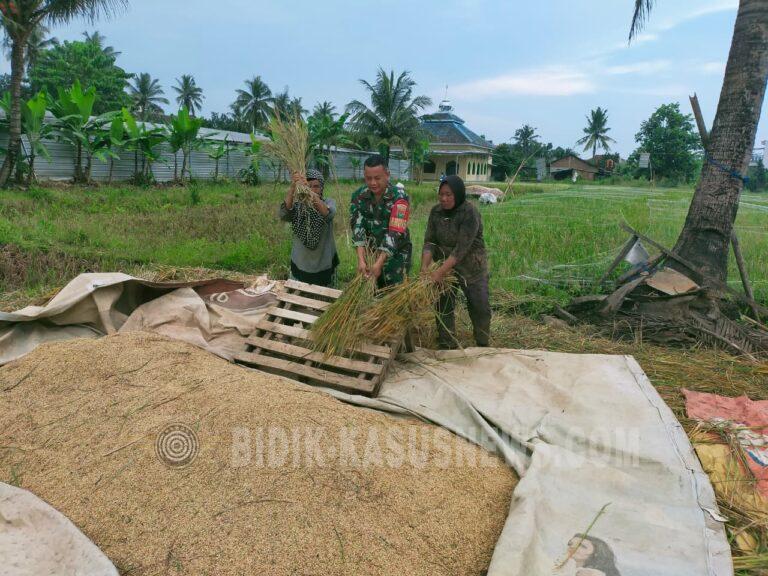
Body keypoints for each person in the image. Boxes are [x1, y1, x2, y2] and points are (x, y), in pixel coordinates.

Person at [421, 175, 491, 349]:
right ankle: (446, 343)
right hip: (445, 266)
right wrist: (425, 268)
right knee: (443, 304)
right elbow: (429, 241)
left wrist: (438, 272)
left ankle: (482, 343)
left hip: (471, 266)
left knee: (479, 304)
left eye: (449, 195)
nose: (444, 199)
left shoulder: (469, 212)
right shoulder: (436, 212)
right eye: (441, 194)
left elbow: (461, 249)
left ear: (458, 194)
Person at [350, 154, 412, 288]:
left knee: (394, 295)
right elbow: (357, 227)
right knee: (371, 294)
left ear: (387, 175)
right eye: (368, 178)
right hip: (371, 255)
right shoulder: (358, 196)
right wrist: (361, 260)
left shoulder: (400, 198)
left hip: (396, 256)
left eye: (377, 178)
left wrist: (379, 263)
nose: (373, 183)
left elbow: (394, 233)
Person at [279, 168, 339, 287]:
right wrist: (292, 188)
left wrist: (309, 192)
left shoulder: (328, 202)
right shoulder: (297, 206)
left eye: (316, 186)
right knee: (299, 299)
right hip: (301, 264)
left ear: (322, 188)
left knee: (323, 301)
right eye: (308, 186)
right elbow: (284, 214)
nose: (312, 189)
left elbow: (327, 213)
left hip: (324, 263)